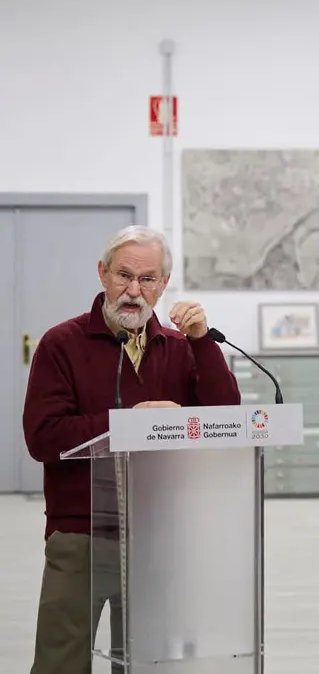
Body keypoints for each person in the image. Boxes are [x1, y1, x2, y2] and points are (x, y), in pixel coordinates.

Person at [22, 225, 241, 674]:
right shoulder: (60, 344)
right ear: (102, 274)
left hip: (159, 533)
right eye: (123, 275)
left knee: (149, 662)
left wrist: (202, 340)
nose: (133, 291)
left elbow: (225, 416)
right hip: (81, 533)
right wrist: (127, 425)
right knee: (59, 661)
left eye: (147, 279)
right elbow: (43, 436)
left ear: (162, 286)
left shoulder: (181, 347)